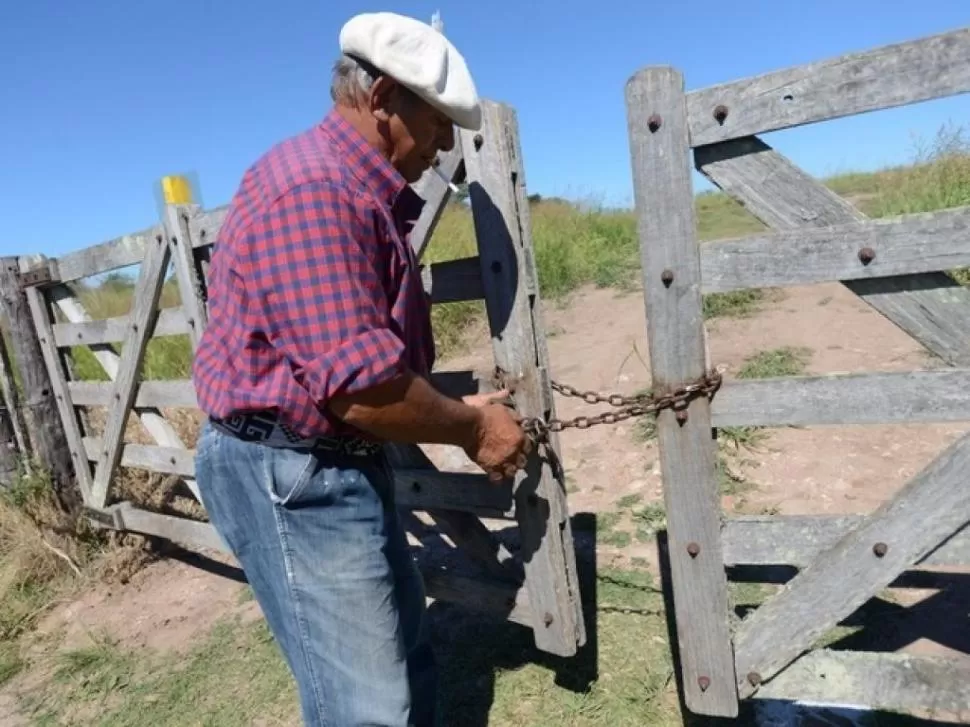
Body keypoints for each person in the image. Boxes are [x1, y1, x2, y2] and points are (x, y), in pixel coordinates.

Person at [190, 11, 531, 727]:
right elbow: (360, 389)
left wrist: (438, 398)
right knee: (365, 706)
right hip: (295, 471)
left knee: (404, 657)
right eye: (437, 121)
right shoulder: (318, 192)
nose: (443, 143)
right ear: (380, 100)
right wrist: (473, 429)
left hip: (323, 459)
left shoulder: (349, 191)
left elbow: (354, 356)